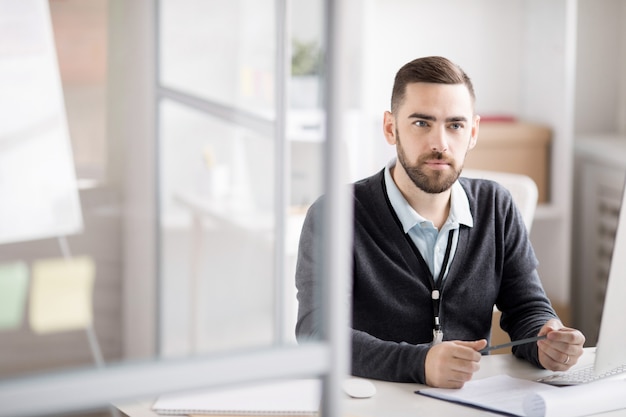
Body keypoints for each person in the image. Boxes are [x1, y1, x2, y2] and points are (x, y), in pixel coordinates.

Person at [294, 56, 585, 388]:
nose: (440, 144)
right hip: (374, 401)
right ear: (391, 128)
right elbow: (317, 333)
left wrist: (546, 340)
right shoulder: (335, 215)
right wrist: (420, 364)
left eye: (455, 125)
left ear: (473, 132)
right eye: (422, 123)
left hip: (469, 403)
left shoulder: (496, 206)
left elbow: (527, 308)